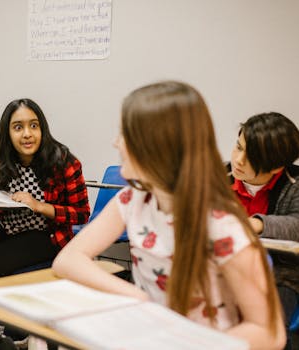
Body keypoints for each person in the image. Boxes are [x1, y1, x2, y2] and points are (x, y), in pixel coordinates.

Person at [52, 81, 286, 349]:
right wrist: (137, 298)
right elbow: (68, 259)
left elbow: (269, 334)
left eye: (125, 133)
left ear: (157, 146)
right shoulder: (133, 200)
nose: (115, 142)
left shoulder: (223, 228)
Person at [0, 98, 90, 283]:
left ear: (42, 129)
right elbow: (0, 173)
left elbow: (82, 214)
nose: (27, 134)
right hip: (7, 226)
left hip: (46, 235)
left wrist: (39, 206)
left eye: (34, 126)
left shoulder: (64, 162)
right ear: (8, 133)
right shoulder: (6, 154)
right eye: (18, 127)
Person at [229, 112, 299, 349]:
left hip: (280, 273)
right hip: (225, 266)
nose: (238, 160)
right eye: (238, 147)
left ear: (277, 166)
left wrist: (256, 224)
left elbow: (296, 224)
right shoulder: (220, 176)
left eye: (251, 157)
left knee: (270, 332)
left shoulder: (294, 185)